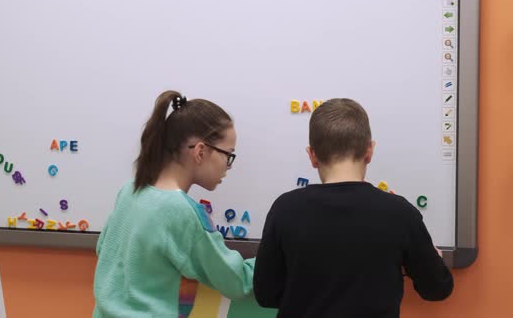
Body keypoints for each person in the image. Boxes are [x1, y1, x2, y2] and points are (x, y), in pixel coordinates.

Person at [253, 98, 453, 318]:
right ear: (369, 151)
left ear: (312, 155)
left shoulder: (285, 209)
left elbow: (265, 294)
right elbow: (437, 289)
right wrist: (434, 259)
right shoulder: (400, 213)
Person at [93, 90, 254, 318]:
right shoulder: (182, 212)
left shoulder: (130, 190)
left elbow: (103, 249)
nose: (228, 166)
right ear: (200, 151)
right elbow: (237, 282)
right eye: (228, 155)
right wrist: (274, 258)